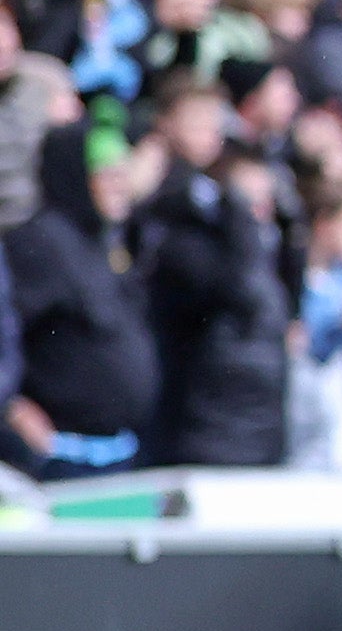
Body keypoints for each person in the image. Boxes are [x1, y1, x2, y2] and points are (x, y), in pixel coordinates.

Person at [127, 75, 292, 468]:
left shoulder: (210, 195)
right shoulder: (163, 200)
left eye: (214, 123)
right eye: (197, 121)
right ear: (165, 123)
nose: (210, 134)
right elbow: (227, 284)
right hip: (185, 395)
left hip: (224, 399)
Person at [4, 121, 158, 474]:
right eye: (107, 174)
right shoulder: (41, 243)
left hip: (115, 453)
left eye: (124, 173)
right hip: (61, 458)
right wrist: (10, 405)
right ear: (75, 176)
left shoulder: (103, 240)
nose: (121, 186)